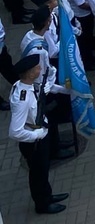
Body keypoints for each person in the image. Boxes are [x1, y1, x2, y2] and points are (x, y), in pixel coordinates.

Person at [8, 53, 70, 215]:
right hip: (33, 142)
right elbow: (15, 132)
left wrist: (66, 90)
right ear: (30, 74)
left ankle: (47, 196)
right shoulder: (22, 98)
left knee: (43, 170)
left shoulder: (28, 85)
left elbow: (45, 89)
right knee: (38, 173)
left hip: (40, 133)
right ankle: (42, 205)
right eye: (37, 68)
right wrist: (37, 135)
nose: (40, 69)